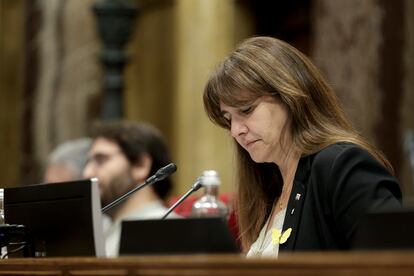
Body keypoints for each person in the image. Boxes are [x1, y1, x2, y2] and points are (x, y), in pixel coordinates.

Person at [202, 36, 402, 257]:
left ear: (289, 97)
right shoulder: (268, 192)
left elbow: (396, 261)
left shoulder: (340, 165)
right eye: (228, 118)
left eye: (247, 110)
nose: (235, 130)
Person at [82, 120, 176, 256]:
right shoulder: (97, 230)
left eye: (101, 160)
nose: (87, 173)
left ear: (140, 165)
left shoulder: (169, 230)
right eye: (88, 163)